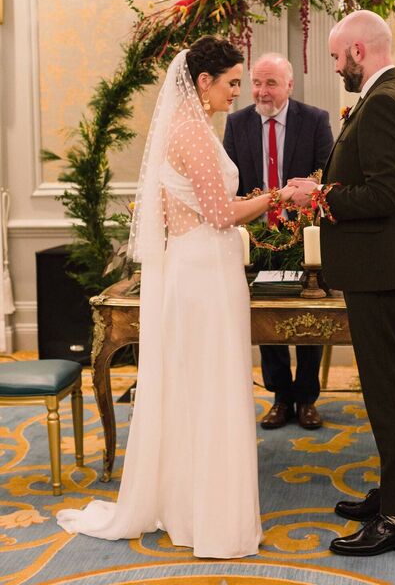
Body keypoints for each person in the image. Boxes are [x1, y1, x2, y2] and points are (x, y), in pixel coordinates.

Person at [57, 36, 295, 558]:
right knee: (211, 388)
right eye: (233, 82)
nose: (239, 92)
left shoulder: (193, 130)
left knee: (202, 386)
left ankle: (193, 504)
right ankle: (208, 518)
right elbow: (220, 214)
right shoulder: (190, 134)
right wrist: (279, 195)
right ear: (204, 81)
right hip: (205, 273)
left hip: (203, 267)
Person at [289, 10, 395, 557]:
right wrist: (325, 184)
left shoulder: (384, 102)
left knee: (387, 394)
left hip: (383, 273)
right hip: (382, 269)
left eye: (335, 57)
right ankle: (392, 493)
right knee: (383, 392)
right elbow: (372, 182)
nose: (335, 67)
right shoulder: (390, 96)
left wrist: (317, 199)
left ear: (358, 50)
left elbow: (384, 196)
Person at [223, 53, 333, 430]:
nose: (261, 91)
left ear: (289, 85)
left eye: (270, 83)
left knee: (310, 317)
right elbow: (231, 184)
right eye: (256, 82)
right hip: (257, 236)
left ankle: (306, 397)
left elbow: (328, 174)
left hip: (306, 236)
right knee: (266, 318)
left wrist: (310, 194)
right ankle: (280, 396)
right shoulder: (237, 124)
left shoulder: (315, 120)